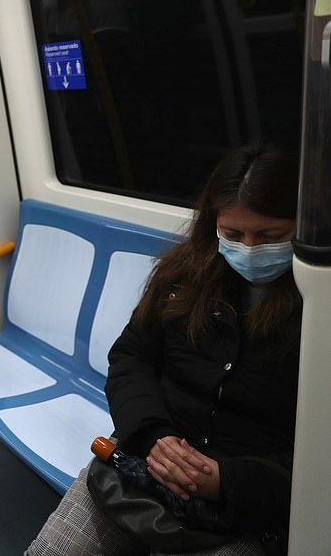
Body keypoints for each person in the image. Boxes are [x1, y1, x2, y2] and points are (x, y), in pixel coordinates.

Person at [27, 145, 301, 555]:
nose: (249, 249)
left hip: (247, 496)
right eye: (233, 234)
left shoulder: (317, 308)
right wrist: (154, 436)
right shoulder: (184, 276)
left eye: (270, 237)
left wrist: (227, 480)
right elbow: (131, 356)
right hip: (146, 459)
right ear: (214, 226)